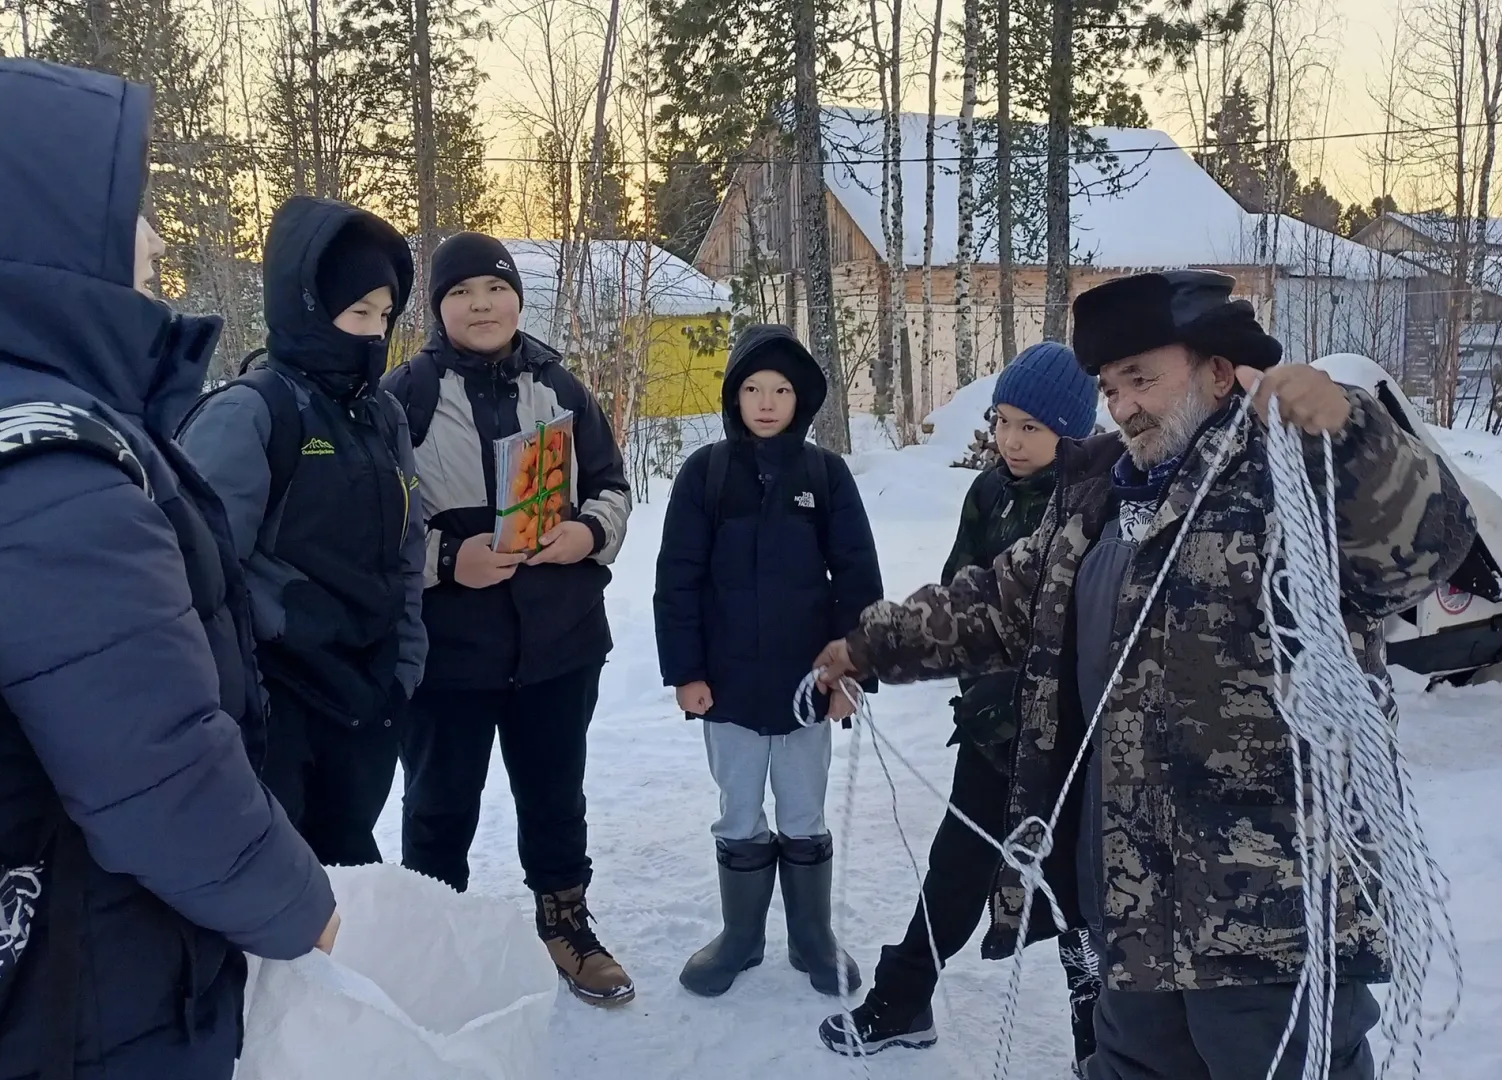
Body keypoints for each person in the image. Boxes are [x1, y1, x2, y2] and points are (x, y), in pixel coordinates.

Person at [0, 57, 337, 1079]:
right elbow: (160, 775)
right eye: (131, 210)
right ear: (30, 231)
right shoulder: (45, 473)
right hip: (87, 995)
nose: (160, 240)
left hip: (39, 967)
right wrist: (305, 912)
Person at [813, 270, 1477, 1080]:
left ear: (1218, 371)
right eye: (1110, 385)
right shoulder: (1095, 496)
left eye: (1143, 379)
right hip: (1131, 903)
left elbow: (1431, 544)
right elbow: (997, 600)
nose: (1124, 404)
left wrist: (1349, 430)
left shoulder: (1291, 478)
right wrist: (866, 646)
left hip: (1268, 914)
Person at [818, 342, 1108, 1065]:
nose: (1011, 440)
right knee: (956, 868)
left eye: (1031, 428)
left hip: (1071, 746)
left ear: (1071, 432)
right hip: (990, 729)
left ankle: (1098, 1038)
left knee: (1080, 898)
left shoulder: (1097, 506)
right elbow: (963, 596)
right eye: (1003, 421)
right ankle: (905, 995)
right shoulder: (988, 493)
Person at [380, 232, 636, 1006]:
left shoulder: (561, 387)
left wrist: (586, 533)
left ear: (518, 300)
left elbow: (614, 487)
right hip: (449, 655)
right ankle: (435, 941)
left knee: (556, 797)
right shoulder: (405, 396)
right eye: (461, 293)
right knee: (439, 806)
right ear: (438, 307)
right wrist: (446, 559)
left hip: (558, 647)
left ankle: (565, 925)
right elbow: (370, 520)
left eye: (494, 290)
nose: (481, 305)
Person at [178, 196, 426, 867]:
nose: (373, 335)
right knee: (281, 895)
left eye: (384, 317)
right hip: (281, 709)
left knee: (350, 882)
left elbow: (407, 547)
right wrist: (246, 706)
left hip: (367, 700)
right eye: (357, 313)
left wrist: (404, 668)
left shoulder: (384, 417)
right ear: (307, 305)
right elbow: (200, 579)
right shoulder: (251, 414)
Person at [653, 324, 885, 1000]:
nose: (765, 401)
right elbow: (677, 579)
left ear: (801, 399)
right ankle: (741, 938)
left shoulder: (824, 474)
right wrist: (687, 672)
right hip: (724, 688)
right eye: (752, 388)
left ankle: (812, 939)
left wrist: (851, 675)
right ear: (733, 396)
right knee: (738, 811)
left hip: (807, 688)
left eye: (781, 389)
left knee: (804, 810)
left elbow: (858, 580)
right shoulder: (706, 473)